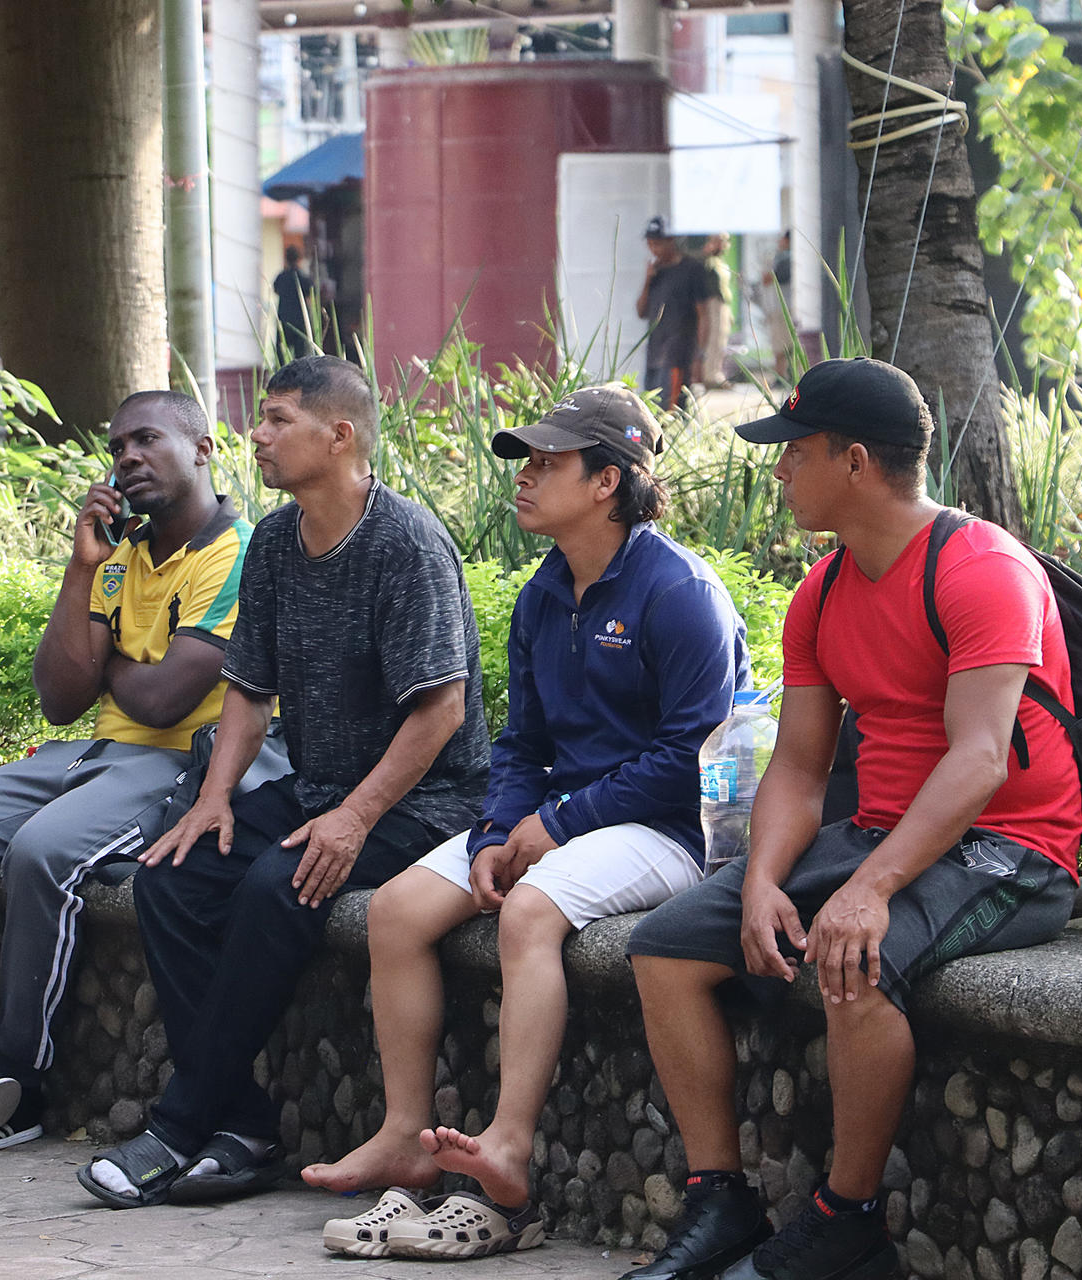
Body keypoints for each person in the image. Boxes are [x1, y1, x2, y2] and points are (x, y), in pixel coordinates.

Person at [622, 358, 1082, 1280]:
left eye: (796, 453)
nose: (781, 471)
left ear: (856, 460)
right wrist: (757, 883)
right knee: (665, 948)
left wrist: (869, 891)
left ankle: (847, 1219)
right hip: (880, 832)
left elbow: (981, 759)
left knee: (852, 959)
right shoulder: (822, 592)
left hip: (1010, 848)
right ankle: (722, 1201)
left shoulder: (982, 567)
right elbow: (799, 765)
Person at [305, 386, 750, 1259]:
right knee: (395, 913)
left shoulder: (680, 590)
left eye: (549, 464)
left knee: (531, 911)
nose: (526, 479)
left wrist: (558, 822)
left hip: (669, 830)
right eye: (526, 462)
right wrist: (492, 833)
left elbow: (690, 754)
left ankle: (507, 1146)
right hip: (562, 820)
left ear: (607, 483)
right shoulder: (546, 594)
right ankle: (405, 1135)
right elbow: (520, 741)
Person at [77, 355, 490, 1209]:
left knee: (278, 885)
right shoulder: (272, 540)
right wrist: (215, 798)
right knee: (169, 876)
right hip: (317, 788)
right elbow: (249, 690)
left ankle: (181, 1123)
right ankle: (242, 1124)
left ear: (339, 437)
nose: (256, 437)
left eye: (276, 420)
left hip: (426, 800)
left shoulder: (404, 544)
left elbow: (440, 713)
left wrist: (354, 820)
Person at [0, 390, 252, 1162]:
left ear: (205, 449)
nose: (127, 458)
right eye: (117, 446)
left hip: (178, 761)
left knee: (43, 852)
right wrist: (81, 572)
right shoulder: (116, 557)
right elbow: (58, 697)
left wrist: (103, 655)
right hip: (88, 754)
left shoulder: (238, 552)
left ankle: (20, 1083)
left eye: (147, 439)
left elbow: (162, 699)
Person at [636, 216, 712, 411]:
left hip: (678, 354)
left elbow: (704, 315)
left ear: (671, 241)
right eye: (650, 244)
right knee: (650, 411)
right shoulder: (655, 271)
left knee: (671, 413)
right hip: (654, 354)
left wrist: (699, 355)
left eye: (658, 244)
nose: (653, 249)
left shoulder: (692, 269)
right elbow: (641, 311)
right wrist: (647, 281)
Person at [753, 231, 795, 385]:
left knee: (781, 345)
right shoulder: (787, 257)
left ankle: (780, 376)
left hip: (782, 309)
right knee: (784, 344)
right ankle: (784, 375)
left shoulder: (786, 258)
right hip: (781, 308)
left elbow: (768, 278)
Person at [699, 234, 734, 390]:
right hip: (712, 302)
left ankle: (717, 372)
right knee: (714, 339)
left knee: (721, 340)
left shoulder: (721, 262)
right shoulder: (708, 261)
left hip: (723, 303)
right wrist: (706, 253)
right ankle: (710, 375)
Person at [273, 247, 315, 361]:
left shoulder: (281, 277)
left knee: (281, 354)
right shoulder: (303, 278)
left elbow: (275, 290)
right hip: (300, 321)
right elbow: (312, 293)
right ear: (299, 259)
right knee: (301, 356)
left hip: (284, 319)